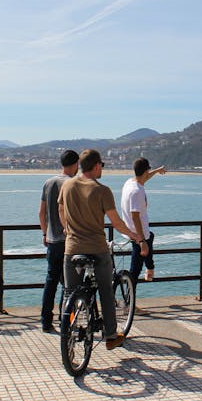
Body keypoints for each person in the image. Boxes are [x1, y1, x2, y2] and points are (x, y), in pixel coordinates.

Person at [58, 149, 147, 350]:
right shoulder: (102, 190)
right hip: (97, 248)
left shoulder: (67, 185)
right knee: (106, 290)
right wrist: (136, 237)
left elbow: (61, 210)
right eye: (102, 166)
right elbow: (117, 223)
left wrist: (67, 229)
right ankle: (110, 335)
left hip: (71, 248)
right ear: (97, 165)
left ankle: (67, 328)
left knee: (69, 292)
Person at [38, 149, 79, 333]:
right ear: (75, 164)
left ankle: (46, 321)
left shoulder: (48, 182)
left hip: (52, 240)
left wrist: (44, 234)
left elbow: (41, 212)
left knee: (51, 280)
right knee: (69, 284)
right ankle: (67, 320)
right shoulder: (72, 183)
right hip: (68, 240)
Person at [121, 157, 166, 282]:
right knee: (134, 272)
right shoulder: (137, 191)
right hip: (138, 235)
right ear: (146, 171)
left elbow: (144, 177)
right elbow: (135, 217)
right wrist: (141, 241)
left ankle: (150, 267)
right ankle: (130, 300)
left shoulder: (130, 182)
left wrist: (157, 171)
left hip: (133, 231)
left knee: (150, 236)